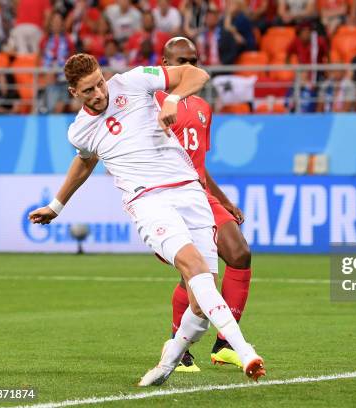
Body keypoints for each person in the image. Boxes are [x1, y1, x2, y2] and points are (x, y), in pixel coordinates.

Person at [28, 53, 265, 386]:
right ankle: (245, 352)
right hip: (149, 201)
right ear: (72, 92)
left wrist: (173, 98)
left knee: (199, 307)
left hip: (189, 192)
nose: (99, 93)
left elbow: (196, 74)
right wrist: (56, 205)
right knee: (195, 268)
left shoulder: (133, 81)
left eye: (99, 82)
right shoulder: (80, 131)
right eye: (88, 91)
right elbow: (85, 161)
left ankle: (167, 363)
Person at [155, 37, 254, 372]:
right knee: (195, 275)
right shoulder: (151, 101)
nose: (190, 67)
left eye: (194, 61)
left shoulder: (202, 107)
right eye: (182, 60)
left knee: (240, 254)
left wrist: (223, 199)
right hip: (169, 197)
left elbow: (198, 164)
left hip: (202, 195)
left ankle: (224, 345)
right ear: (165, 64)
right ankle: (178, 346)